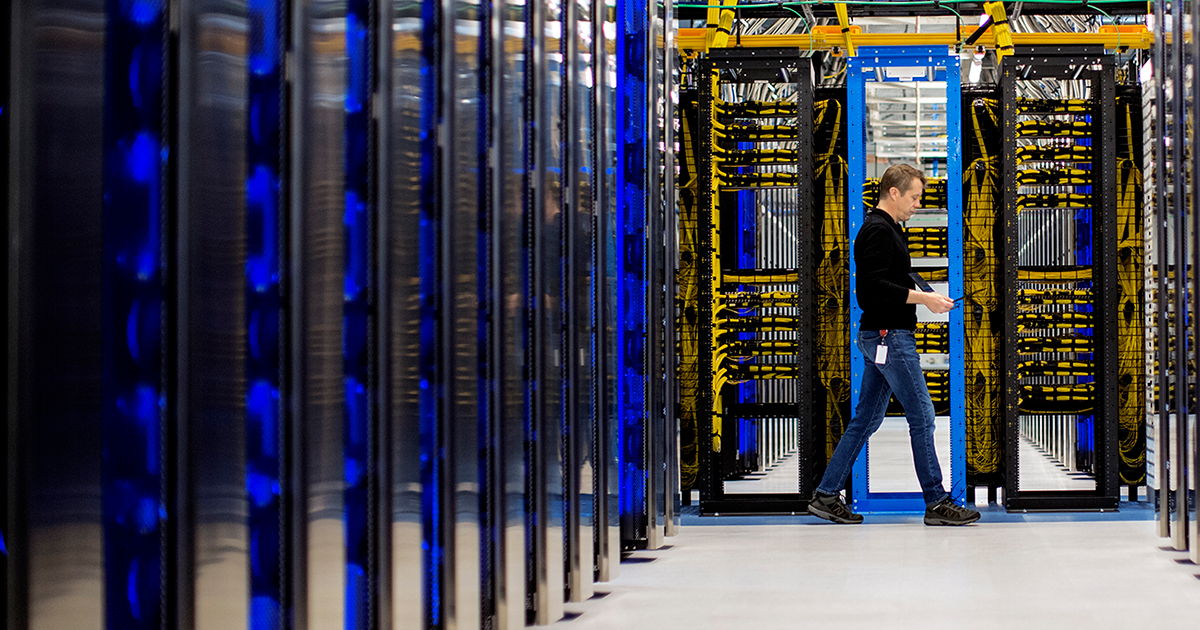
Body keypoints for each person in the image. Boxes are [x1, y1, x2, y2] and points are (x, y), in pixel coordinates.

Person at [807, 163, 981, 526]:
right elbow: (870, 290)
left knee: (867, 419)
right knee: (923, 416)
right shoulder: (878, 231)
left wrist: (927, 297)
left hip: (884, 334)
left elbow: (886, 280)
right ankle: (937, 502)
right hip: (889, 335)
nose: (918, 204)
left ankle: (826, 494)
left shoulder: (888, 230)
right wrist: (923, 299)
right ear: (895, 193)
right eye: (915, 197)